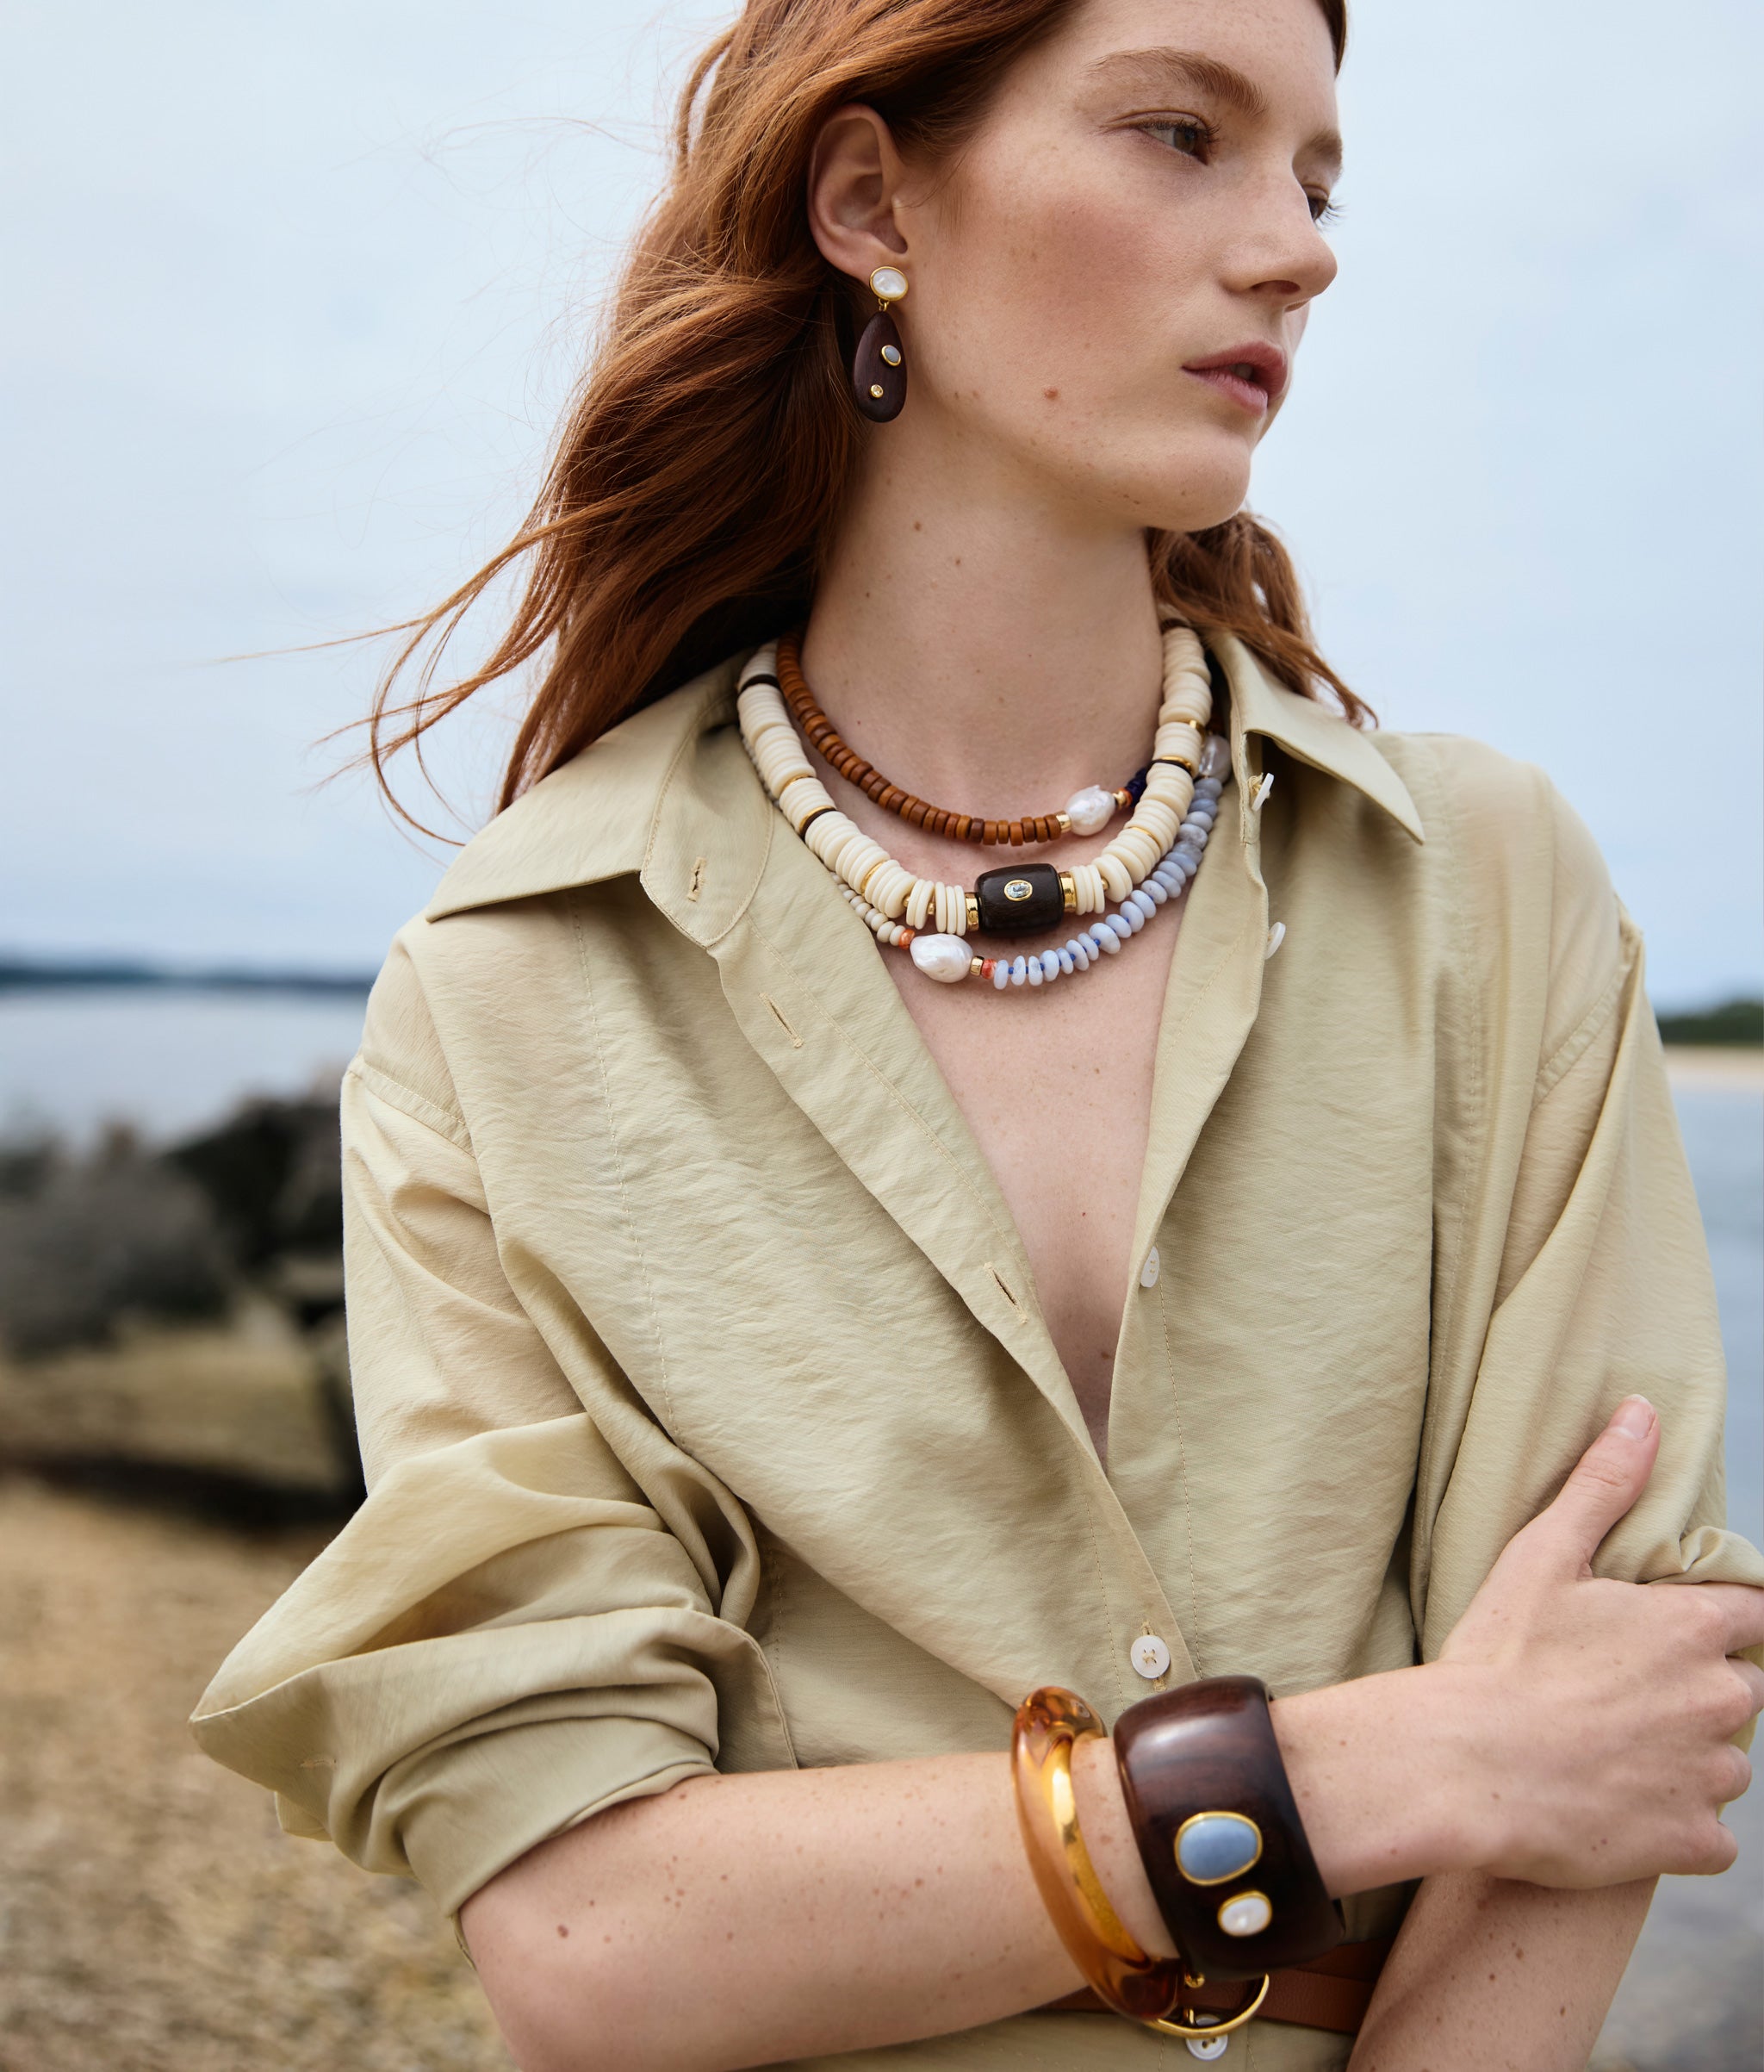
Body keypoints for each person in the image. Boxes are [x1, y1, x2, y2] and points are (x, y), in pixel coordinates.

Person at [193, 0, 1764, 2065]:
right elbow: (591, 1935)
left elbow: (1611, 1730)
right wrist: (1385, 1766)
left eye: (1314, 174)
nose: (1300, 245)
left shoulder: (1482, 888)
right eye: (1182, 134)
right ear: (869, 200)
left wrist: (1499, 1762)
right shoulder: (511, 989)